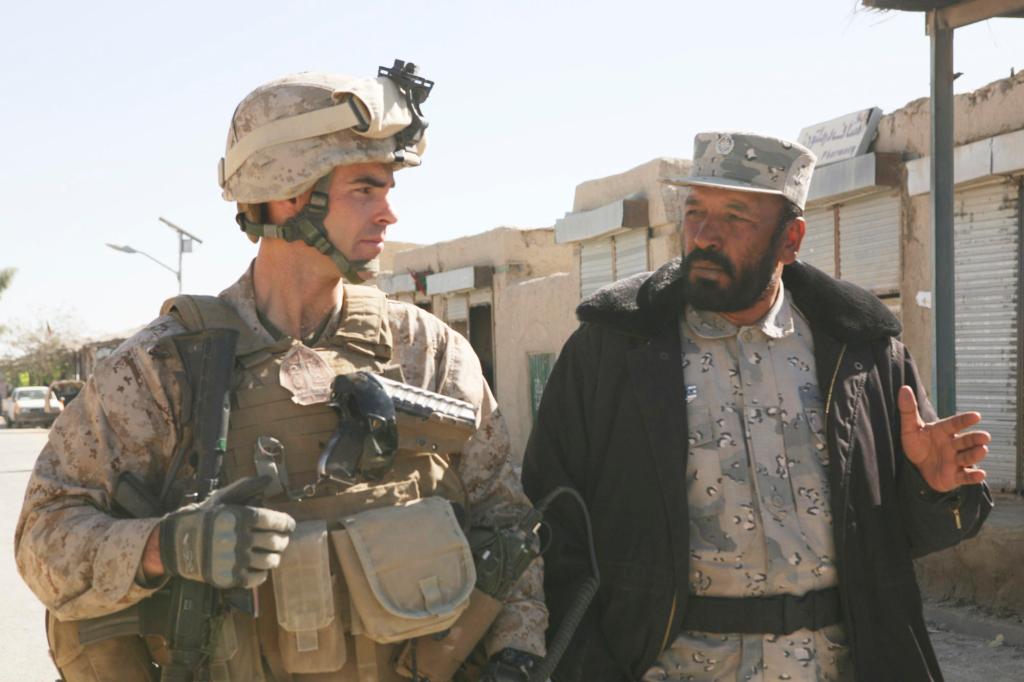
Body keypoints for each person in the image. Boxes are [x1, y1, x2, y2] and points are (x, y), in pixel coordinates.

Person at [16, 63, 546, 682]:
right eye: (365, 190)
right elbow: (44, 541)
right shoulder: (164, 369)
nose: (389, 215)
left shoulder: (428, 352)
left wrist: (518, 652)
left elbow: (507, 526)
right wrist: (169, 546)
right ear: (289, 193)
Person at [522, 132, 993, 682]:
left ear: (790, 239)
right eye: (694, 211)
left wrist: (933, 489)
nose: (703, 235)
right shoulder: (615, 350)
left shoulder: (860, 351)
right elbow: (549, 526)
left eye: (735, 217)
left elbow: (899, 543)